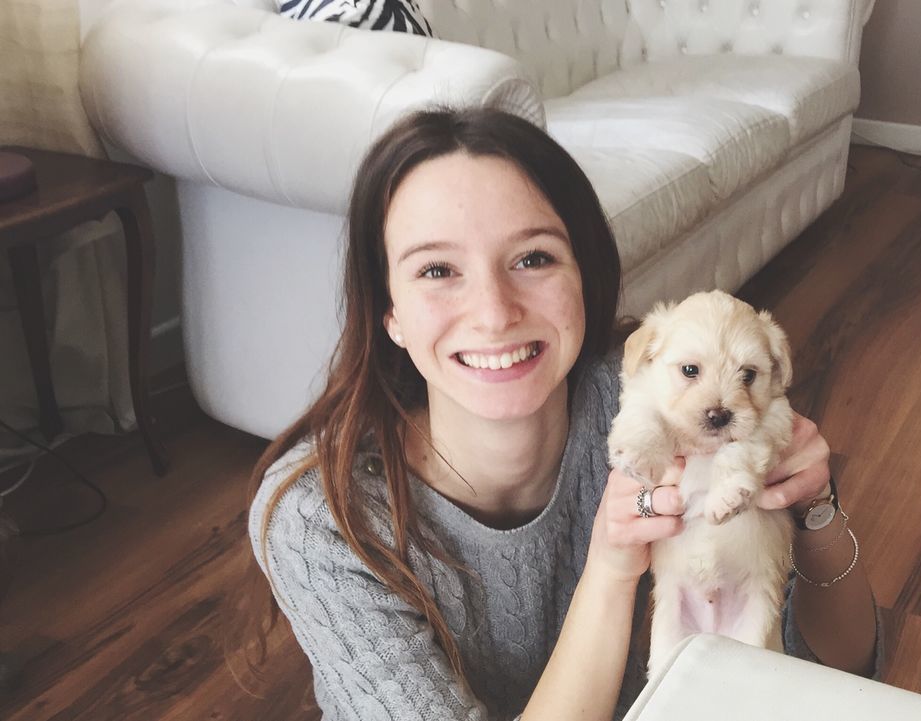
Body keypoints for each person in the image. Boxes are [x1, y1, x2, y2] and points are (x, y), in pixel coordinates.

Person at [234, 108, 880, 721]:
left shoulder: (662, 401)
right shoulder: (321, 517)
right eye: (437, 269)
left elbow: (839, 663)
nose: (494, 311)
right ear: (390, 313)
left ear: (584, 274)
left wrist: (814, 512)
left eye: (533, 258)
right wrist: (611, 564)